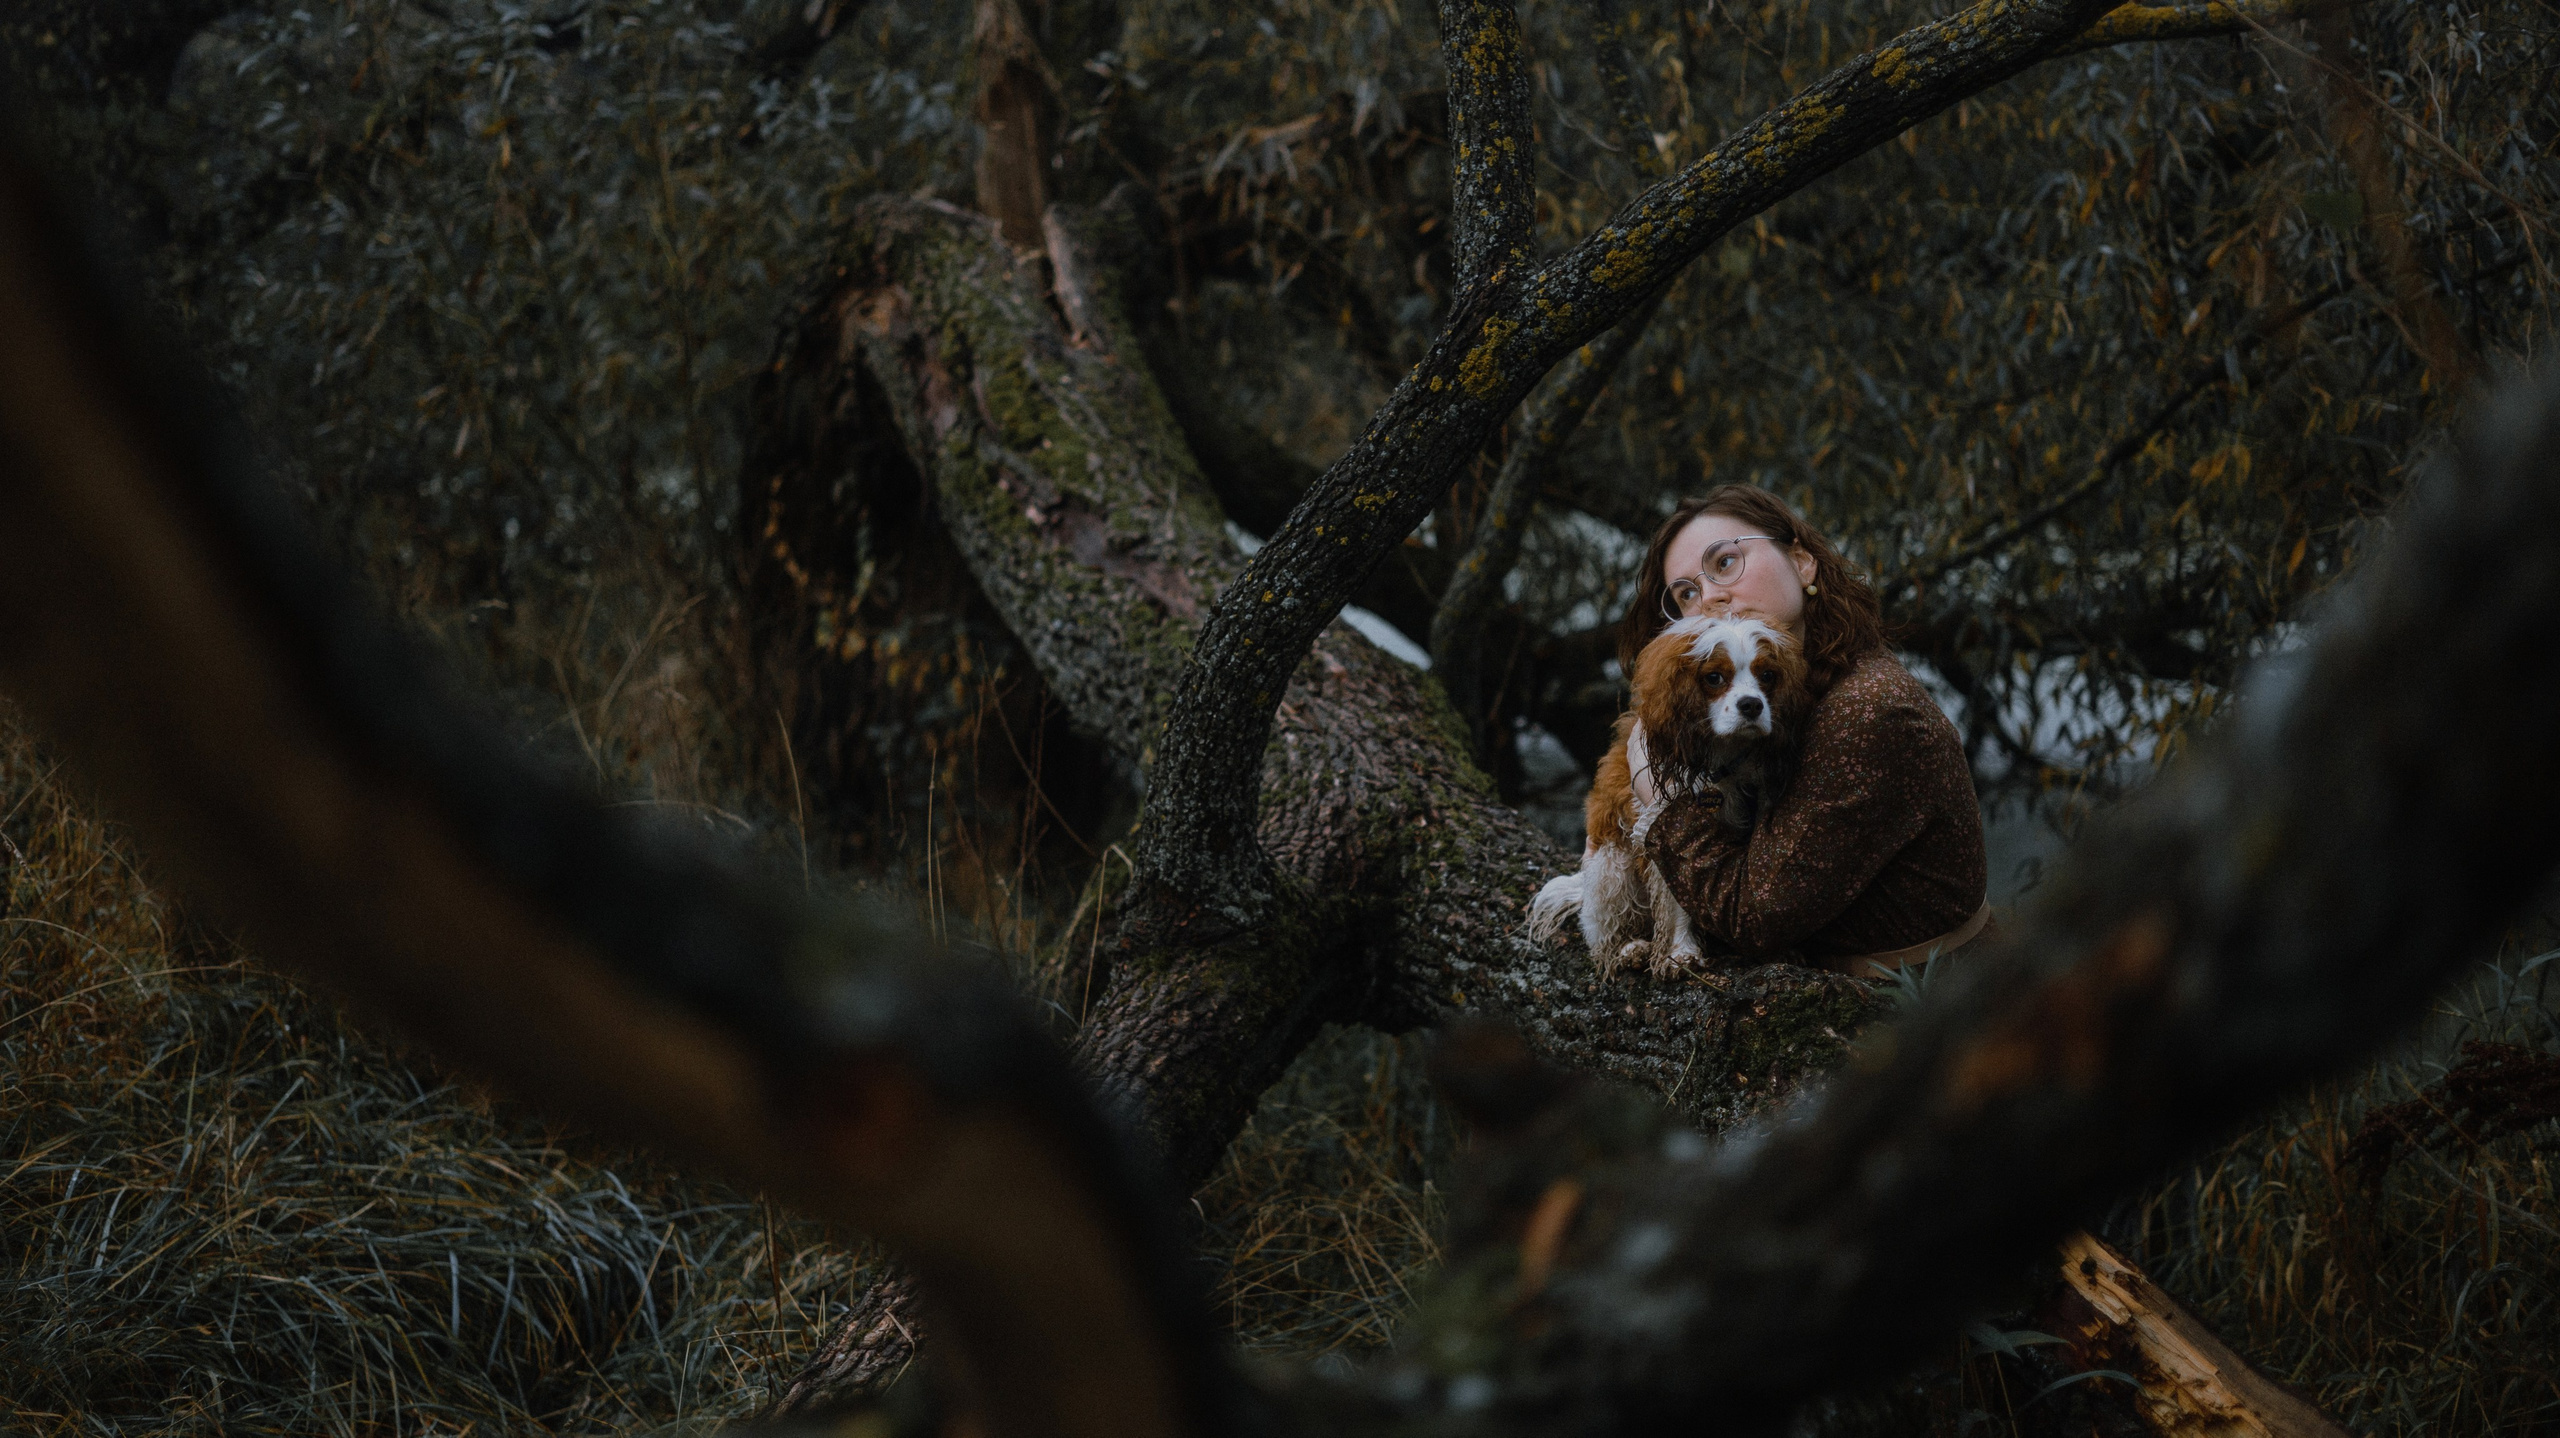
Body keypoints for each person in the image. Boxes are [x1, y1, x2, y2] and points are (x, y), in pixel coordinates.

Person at [1622, 484, 1989, 974]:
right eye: (1687, 593)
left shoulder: (1866, 711)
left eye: (1725, 563)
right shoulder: (1799, 690)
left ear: (1802, 562)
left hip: (1908, 1010)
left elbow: (1753, 918)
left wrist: (1656, 795)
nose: (1711, 598)